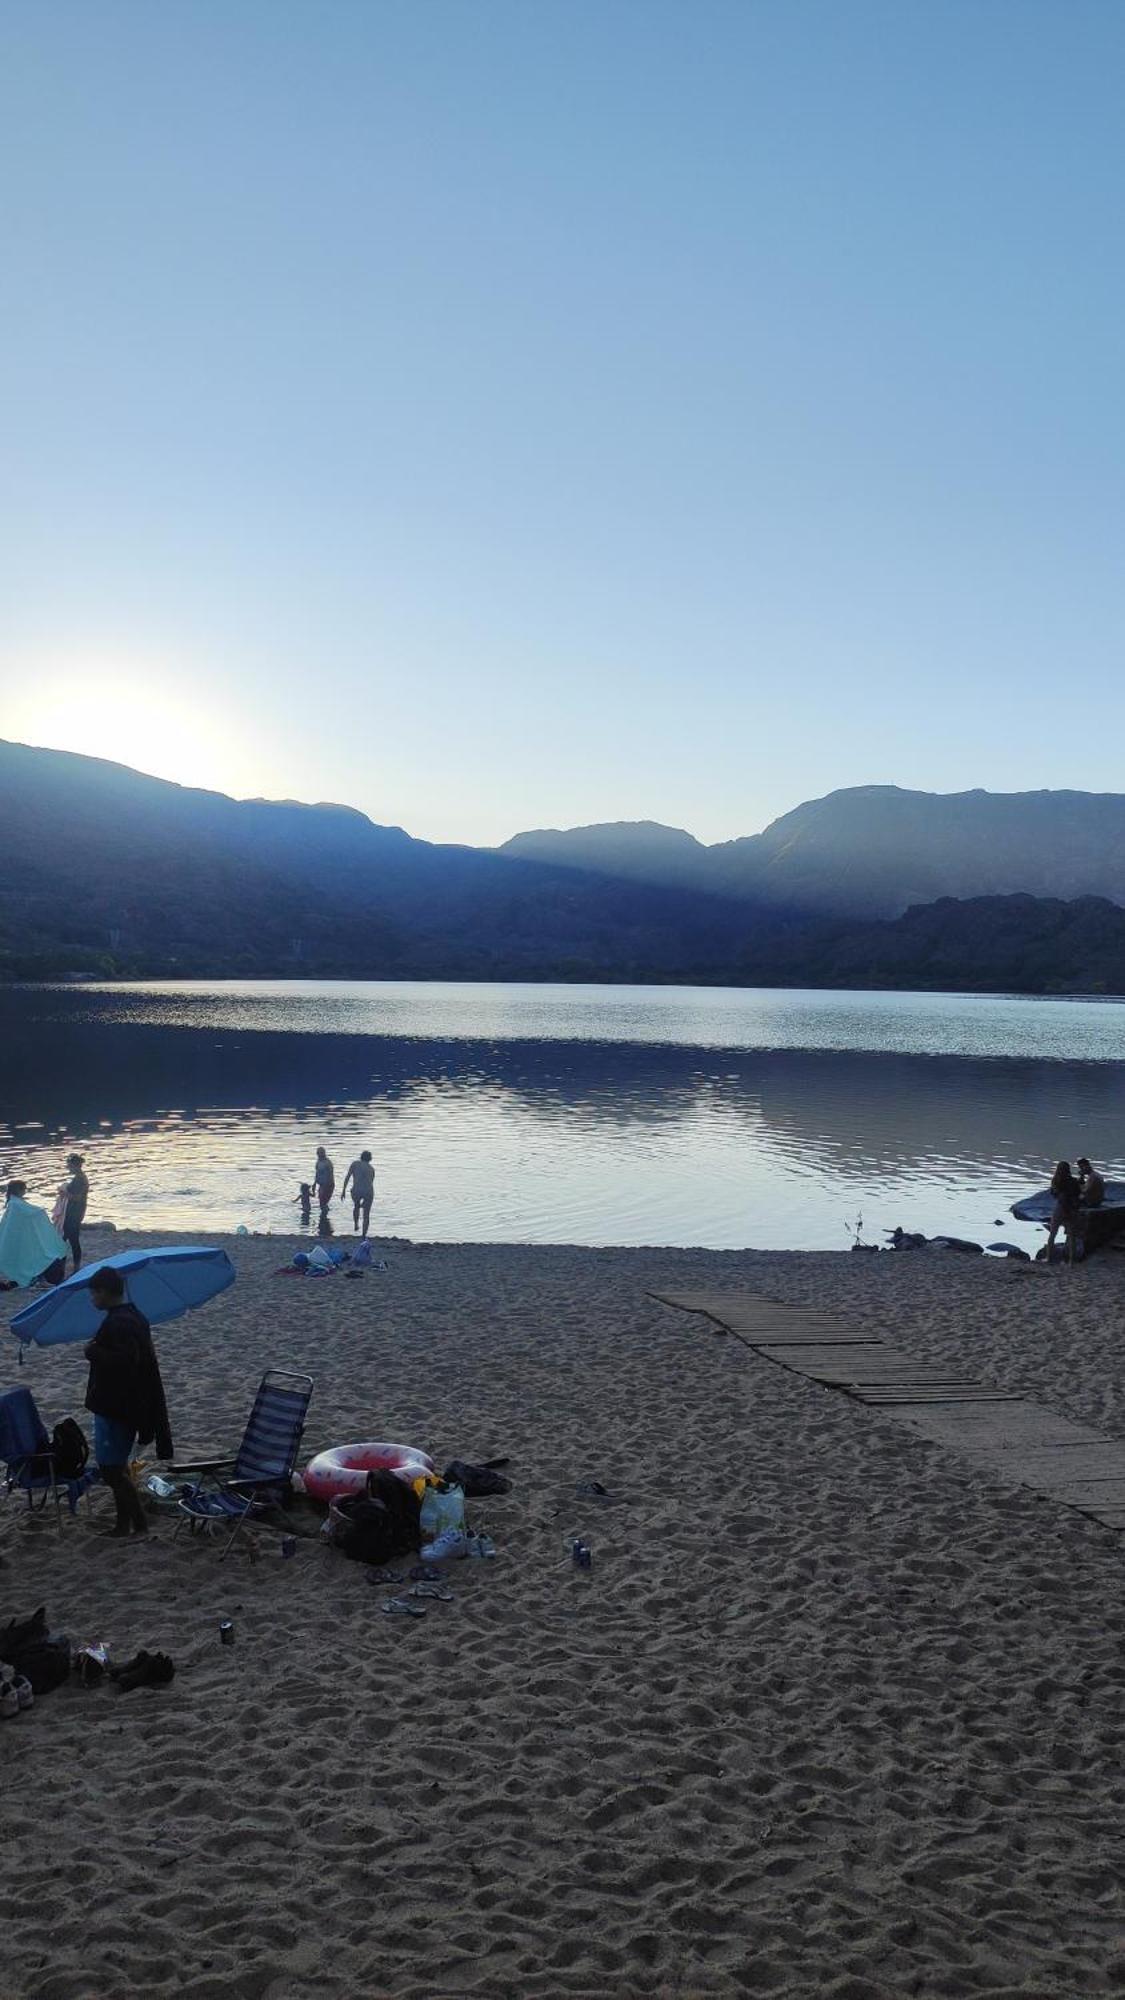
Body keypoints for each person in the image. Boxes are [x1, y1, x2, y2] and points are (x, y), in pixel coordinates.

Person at [84, 1266, 173, 1537]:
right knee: (117, 1466)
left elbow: (126, 1362)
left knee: (112, 1472)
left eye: (93, 1294)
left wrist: (93, 1351)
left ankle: (139, 1524)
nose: (92, 1300)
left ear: (103, 1292)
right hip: (125, 1406)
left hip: (118, 1408)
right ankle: (123, 1525)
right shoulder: (132, 1316)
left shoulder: (119, 1322)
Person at [0, 1181, 68, 1287]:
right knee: (36, 1256)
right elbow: (30, 1212)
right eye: (24, 1189)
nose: (25, 1191)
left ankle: (38, 1278)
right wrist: (41, 1211)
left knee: (32, 1256)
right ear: (19, 1190)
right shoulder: (15, 1203)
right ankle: (39, 1279)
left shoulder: (13, 1202)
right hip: (22, 1236)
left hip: (22, 1234)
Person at [1045, 1160, 1081, 1266]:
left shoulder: (1056, 1180)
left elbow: (1053, 1193)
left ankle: (1049, 1258)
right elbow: (1078, 1194)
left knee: (1053, 1233)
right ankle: (1071, 1262)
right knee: (1072, 1236)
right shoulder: (1073, 1181)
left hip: (1060, 1207)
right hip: (1071, 1209)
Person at [62, 1153, 89, 1271]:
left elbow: (77, 1198)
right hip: (76, 1212)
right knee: (69, 1238)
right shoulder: (81, 1177)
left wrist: (64, 1192)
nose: (68, 1168)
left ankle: (73, 1266)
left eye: (69, 1165)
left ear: (75, 1166)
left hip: (74, 1213)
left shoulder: (79, 1179)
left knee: (69, 1239)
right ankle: (73, 1265)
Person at [340, 1149, 375, 1237]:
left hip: (356, 1190)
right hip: (368, 1191)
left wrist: (343, 1190)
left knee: (356, 1206)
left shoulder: (355, 1164)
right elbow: (371, 1182)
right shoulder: (371, 1169)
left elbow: (347, 1177)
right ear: (370, 1159)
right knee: (366, 1214)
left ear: (361, 1157)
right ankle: (364, 1234)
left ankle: (356, 1224)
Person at [313, 1146, 334, 1219]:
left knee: (323, 1203)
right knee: (322, 1203)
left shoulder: (328, 1163)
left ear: (323, 1153)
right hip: (321, 1185)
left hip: (328, 1185)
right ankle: (324, 1218)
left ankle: (324, 1219)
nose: (319, 1155)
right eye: (318, 1153)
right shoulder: (318, 1162)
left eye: (320, 1153)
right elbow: (317, 1173)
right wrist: (314, 1184)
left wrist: (326, 1186)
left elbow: (330, 1175)